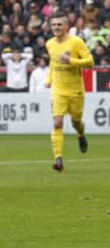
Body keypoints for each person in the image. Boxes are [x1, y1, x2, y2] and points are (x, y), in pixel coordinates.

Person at [45, 12, 94, 172]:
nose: (56, 27)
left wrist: (71, 61)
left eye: (59, 24)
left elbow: (90, 62)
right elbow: (53, 62)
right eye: (53, 25)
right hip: (58, 90)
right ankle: (58, 158)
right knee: (57, 122)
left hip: (75, 91)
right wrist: (49, 79)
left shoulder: (76, 42)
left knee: (76, 122)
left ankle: (80, 135)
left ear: (67, 26)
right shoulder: (50, 44)